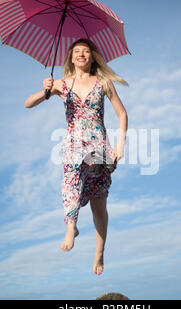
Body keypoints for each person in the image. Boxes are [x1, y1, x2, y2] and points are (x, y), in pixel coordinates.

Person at [24, 38, 128, 276]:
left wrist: (120, 145)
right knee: (71, 176)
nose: (81, 54)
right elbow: (28, 103)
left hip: (99, 147)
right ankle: (71, 225)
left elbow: (122, 114)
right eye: (77, 51)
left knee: (98, 204)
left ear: (92, 57)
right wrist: (45, 91)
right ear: (71, 57)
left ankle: (99, 252)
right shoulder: (61, 84)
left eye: (86, 51)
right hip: (74, 143)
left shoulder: (103, 82)